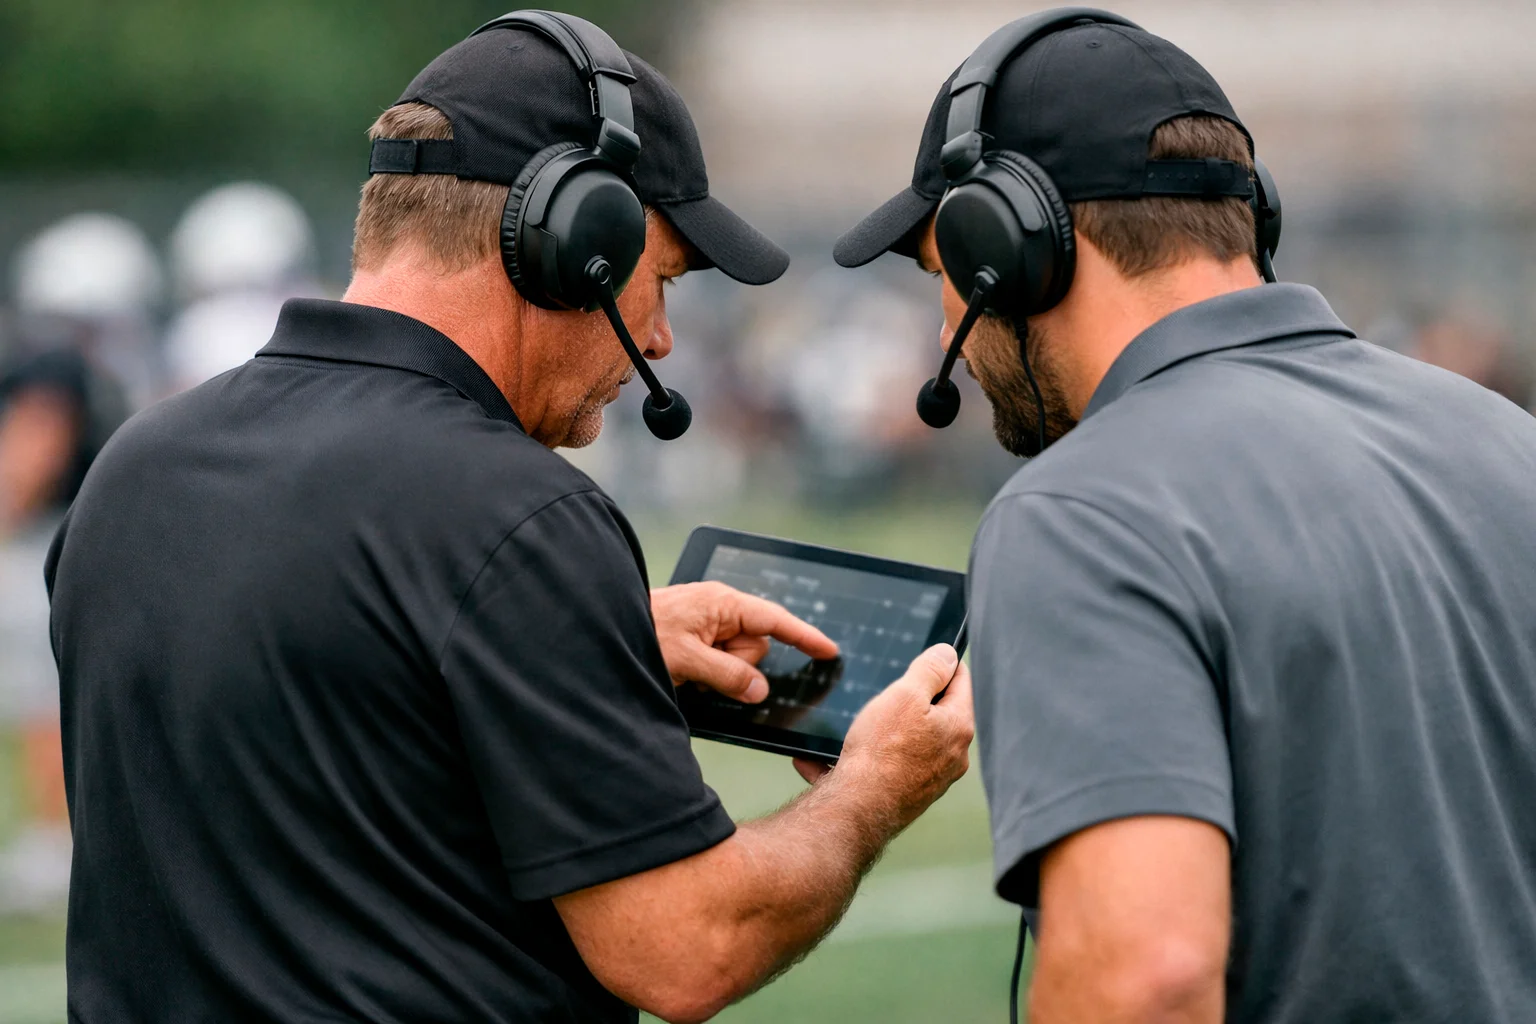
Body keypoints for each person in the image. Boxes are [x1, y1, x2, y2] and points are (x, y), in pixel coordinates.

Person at [46, 14, 973, 1024]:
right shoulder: (519, 517)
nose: (661, 337)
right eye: (658, 278)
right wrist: (876, 786)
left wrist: (556, 652)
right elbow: (690, 948)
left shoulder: (135, 466)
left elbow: (307, 724)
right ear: (573, 242)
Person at [835, 10, 1536, 1023]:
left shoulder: (1080, 511)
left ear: (1006, 247)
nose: (947, 324)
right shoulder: (1505, 439)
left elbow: (1144, 978)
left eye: (944, 275)